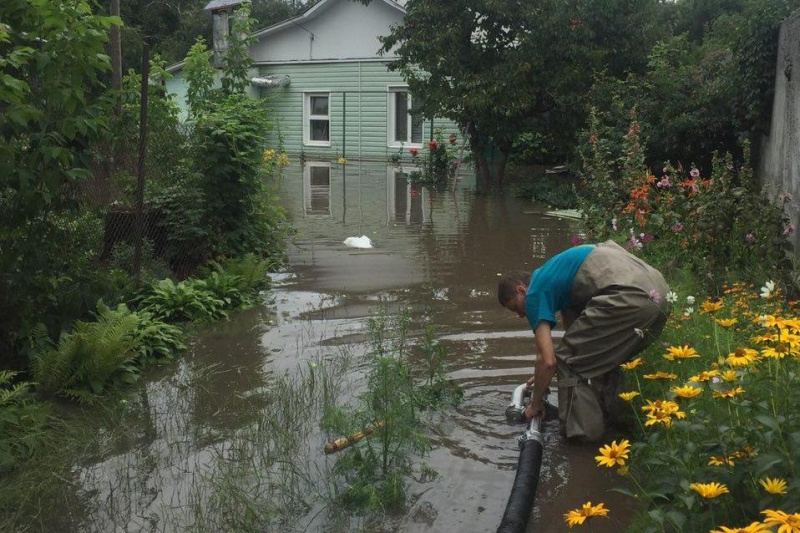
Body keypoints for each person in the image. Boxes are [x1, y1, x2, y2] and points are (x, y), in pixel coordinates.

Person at [497, 240, 670, 441]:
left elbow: (550, 360)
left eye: (515, 308)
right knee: (597, 361)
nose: (519, 315)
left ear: (521, 290)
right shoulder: (557, 276)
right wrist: (543, 375)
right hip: (659, 294)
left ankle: (582, 442)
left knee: (569, 362)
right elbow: (577, 345)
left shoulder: (534, 291)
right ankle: (621, 423)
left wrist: (534, 405)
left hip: (631, 296)